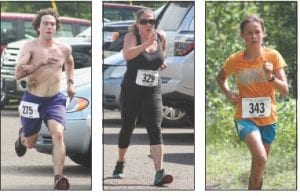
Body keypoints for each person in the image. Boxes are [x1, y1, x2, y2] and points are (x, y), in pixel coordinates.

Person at [216, 15, 289, 190]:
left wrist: (270, 77)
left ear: (264, 34)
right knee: (261, 157)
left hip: (269, 119)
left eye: (257, 32)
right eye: (249, 33)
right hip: (245, 117)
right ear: (242, 36)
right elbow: (220, 77)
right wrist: (227, 92)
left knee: (258, 168)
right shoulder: (235, 60)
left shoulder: (273, 56)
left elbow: (285, 90)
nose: (254, 37)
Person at [14, 8, 75, 190]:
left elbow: (70, 63)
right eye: (46, 23)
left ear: (56, 27)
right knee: (30, 143)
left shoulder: (64, 48)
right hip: (33, 100)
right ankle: (22, 138)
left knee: (58, 134)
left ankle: (58, 178)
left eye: (53, 24)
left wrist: (71, 83)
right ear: (38, 27)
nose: (50, 26)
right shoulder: (30, 47)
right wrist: (41, 62)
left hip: (55, 99)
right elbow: (18, 73)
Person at [112, 8, 173, 186]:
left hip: (152, 89)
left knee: (155, 127)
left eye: (151, 21)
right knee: (127, 127)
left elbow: (164, 55)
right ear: (138, 24)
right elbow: (127, 54)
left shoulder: (161, 37)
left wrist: (163, 63)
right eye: (144, 21)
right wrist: (146, 44)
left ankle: (159, 172)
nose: (148, 25)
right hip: (131, 90)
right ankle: (120, 162)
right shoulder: (132, 37)